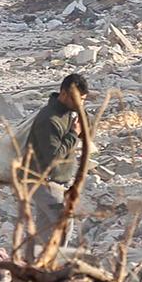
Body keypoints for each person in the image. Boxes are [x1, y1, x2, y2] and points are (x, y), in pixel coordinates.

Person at [25, 73, 89, 246]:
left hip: (55, 182)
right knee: (64, 222)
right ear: (64, 94)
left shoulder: (68, 113)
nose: (80, 104)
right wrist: (73, 134)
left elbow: (86, 135)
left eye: (83, 100)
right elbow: (55, 156)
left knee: (43, 230)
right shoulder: (50, 119)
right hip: (43, 182)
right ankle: (55, 266)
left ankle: (33, 266)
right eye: (77, 99)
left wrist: (81, 122)